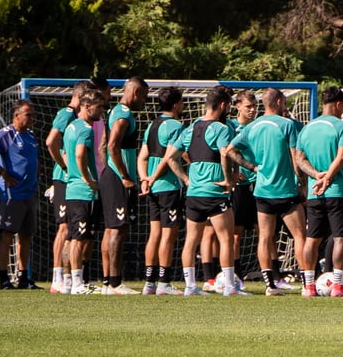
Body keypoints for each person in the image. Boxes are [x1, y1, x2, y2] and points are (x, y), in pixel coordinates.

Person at [226, 88, 309, 296]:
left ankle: (270, 286)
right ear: (279, 101)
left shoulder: (251, 127)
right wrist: (302, 184)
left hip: (262, 191)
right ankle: (308, 285)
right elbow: (295, 158)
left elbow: (230, 150)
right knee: (300, 236)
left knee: (264, 237)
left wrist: (252, 167)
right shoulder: (287, 124)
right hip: (286, 190)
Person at [163, 86, 243, 296]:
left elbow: (171, 157)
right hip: (215, 192)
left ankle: (190, 286)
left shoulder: (190, 128)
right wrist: (229, 179)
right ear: (223, 105)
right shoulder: (221, 128)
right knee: (226, 239)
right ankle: (230, 287)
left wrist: (186, 179)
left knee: (191, 240)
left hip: (194, 194)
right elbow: (225, 153)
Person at [296, 86, 343, 298]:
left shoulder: (306, 128)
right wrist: (328, 178)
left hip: (314, 193)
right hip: (337, 192)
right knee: (341, 238)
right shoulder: (342, 127)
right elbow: (341, 157)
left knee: (312, 239)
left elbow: (299, 159)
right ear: (339, 104)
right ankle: (338, 286)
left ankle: (309, 287)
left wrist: (316, 176)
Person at [0, 99, 40, 289]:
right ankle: (4, 278)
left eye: (33, 114)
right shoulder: (7, 134)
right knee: (8, 234)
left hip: (30, 192)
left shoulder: (31, 135)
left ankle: (23, 277)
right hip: (13, 193)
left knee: (26, 235)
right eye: (28, 114)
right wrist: (3, 172)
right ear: (16, 115)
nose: (32, 118)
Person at [98, 76, 148, 294]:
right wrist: (124, 175)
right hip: (119, 178)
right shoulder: (124, 115)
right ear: (135, 92)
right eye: (144, 96)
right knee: (119, 228)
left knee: (112, 228)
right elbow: (111, 146)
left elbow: (102, 146)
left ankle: (108, 282)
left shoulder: (113, 111)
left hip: (111, 175)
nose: (144, 101)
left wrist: (108, 170)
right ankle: (115, 283)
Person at [44, 81, 94, 293]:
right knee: (64, 228)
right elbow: (50, 142)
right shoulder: (66, 114)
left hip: (71, 179)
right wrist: (64, 166)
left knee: (73, 231)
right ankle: (57, 278)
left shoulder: (78, 119)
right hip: (65, 179)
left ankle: (67, 279)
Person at [137, 87, 185, 295]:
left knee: (154, 233)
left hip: (153, 188)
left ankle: (149, 283)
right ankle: (164, 283)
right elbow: (169, 158)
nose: (182, 106)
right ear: (175, 105)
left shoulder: (152, 125)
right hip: (168, 186)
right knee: (168, 235)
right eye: (181, 102)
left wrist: (144, 179)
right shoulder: (176, 125)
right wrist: (154, 177)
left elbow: (142, 156)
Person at [61, 88, 107, 295]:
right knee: (80, 238)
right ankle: (78, 284)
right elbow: (80, 154)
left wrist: (71, 173)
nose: (102, 111)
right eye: (99, 107)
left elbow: (64, 153)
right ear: (87, 106)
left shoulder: (71, 126)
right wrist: (88, 180)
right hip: (83, 192)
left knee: (72, 237)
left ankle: (68, 282)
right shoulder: (86, 129)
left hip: (71, 190)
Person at [228, 90, 261, 283]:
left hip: (259, 184)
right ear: (238, 106)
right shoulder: (231, 127)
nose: (252, 110)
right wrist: (232, 173)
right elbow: (225, 151)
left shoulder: (259, 126)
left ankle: (267, 272)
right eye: (248, 106)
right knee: (235, 233)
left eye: (255, 106)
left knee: (264, 231)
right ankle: (236, 275)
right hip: (240, 186)